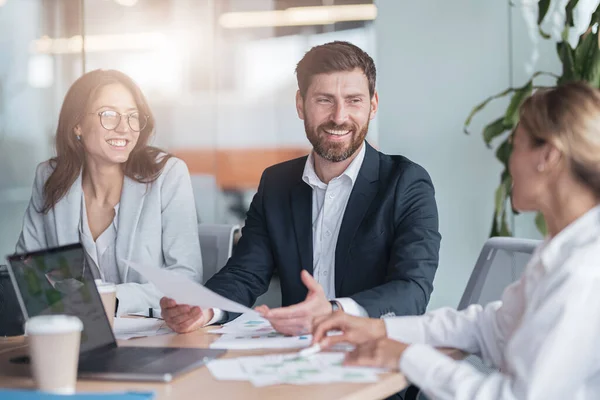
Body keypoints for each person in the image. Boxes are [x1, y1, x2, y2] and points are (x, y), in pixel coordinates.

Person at [311, 81, 600, 399]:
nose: (510, 163)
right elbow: (490, 327)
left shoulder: (584, 271)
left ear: (547, 155)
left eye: (516, 146)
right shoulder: (561, 248)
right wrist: (379, 329)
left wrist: (406, 356)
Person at [161, 41, 441, 336]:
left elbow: (413, 290)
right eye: (324, 100)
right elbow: (245, 273)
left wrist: (335, 311)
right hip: (297, 356)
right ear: (300, 104)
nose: (339, 116)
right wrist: (205, 308)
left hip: (374, 357)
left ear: (372, 106)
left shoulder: (406, 183)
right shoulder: (277, 184)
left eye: (353, 100)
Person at [16, 69, 202, 316]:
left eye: (132, 116)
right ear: (77, 124)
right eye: (109, 115)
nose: (124, 128)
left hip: (151, 335)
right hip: (75, 335)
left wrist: (109, 299)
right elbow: (26, 273)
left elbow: (186, 281)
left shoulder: (168, 174)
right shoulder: (50, 177)